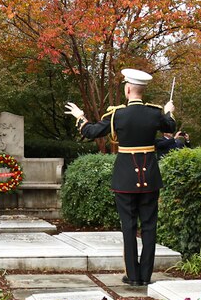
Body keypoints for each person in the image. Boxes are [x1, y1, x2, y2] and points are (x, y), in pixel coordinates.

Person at [65, 69, 177, 286]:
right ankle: (145, 276)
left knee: (128, 227)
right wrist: (169, 111)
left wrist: (80, 117)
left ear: (127, 89)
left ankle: (132, 276)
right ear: (142, 90)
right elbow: (170, 127)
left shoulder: (117, 115)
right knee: (149, 226)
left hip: (125, 178)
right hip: (150, 177)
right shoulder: (155, 113)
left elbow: (91, 132)